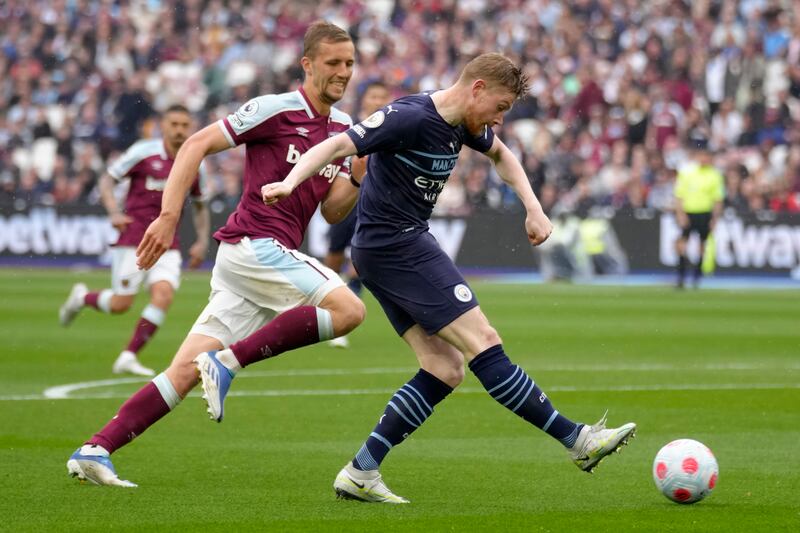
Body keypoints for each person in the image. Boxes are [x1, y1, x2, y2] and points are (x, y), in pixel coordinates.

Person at [262, 53, 637, 503]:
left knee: (444, 367)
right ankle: (577, 440)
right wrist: (290, 180)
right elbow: (339, 145)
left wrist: (534, 208)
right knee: (484, 341)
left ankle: (361, 471)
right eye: (499, 106)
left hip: (389, 247)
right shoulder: (408, 116)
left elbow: (502, 155)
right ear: (476, 88)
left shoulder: (465, 125)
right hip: (396, 245)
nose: (498, 118)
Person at [66, 21, 365, 487]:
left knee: (182, 372)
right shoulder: (276, 109)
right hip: (254, 245)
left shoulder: (345, 129)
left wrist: (360, 176)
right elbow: (196, 143)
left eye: (349, 63)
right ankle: (228, 362)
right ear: (307, 65)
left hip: (260, 260)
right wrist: (168, 217)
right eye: (333, 63)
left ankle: (96, 448)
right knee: (348, 309)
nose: (344, 72)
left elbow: (331, 210)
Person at [58, 105, 210, 376]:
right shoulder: (143, 152)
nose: (178, 130)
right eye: (173, 124)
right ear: (162, 125)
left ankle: (128, 356)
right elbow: (107, 180)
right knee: (121, 304)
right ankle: (82, 297)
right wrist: (114, 212)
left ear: (191, 127)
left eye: (184, 125)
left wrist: (201, 240)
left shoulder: (196, 160)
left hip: (168, 242)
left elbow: (200, 205)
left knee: (163, 295)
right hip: (135, 238)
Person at [324, 80, 392, 348]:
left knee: (360, 262)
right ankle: (329, 307)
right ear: (364, 101)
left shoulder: (394, 131)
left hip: (374, 205)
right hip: (347, 200)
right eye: (373, 96)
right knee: (333, 257)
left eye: (382, 96)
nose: (378, 101)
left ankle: (342, 321)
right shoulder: (352, 130)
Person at [673, 140, 725, 289]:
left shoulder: (715, 175)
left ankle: (696, 276)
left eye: (706, 156)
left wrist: (715, 219)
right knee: (682, 244)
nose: (704, 159)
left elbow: (718, 199)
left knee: (702, 245)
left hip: (704, 213)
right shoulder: (687, 172)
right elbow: (679, 195)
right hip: (689, 212)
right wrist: (680, 214)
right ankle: (681, 276)